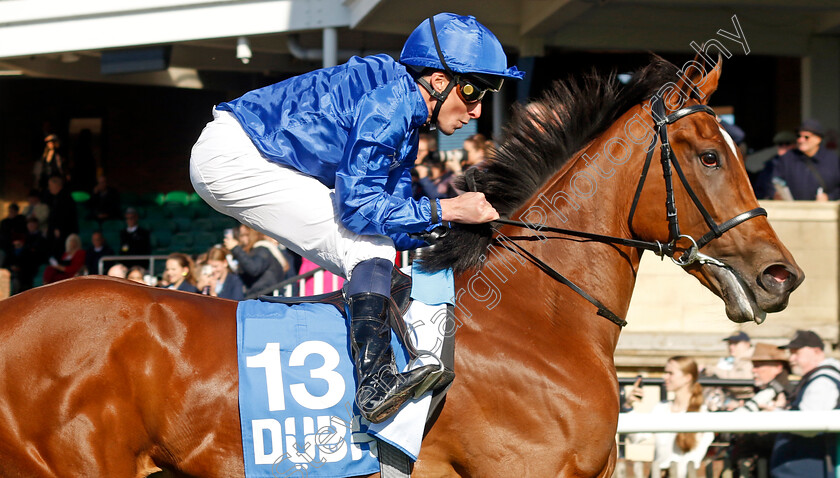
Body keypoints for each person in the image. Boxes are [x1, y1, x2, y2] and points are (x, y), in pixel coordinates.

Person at [190, 12, 521, 422]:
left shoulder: (406, 117)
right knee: (367, 248)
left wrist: (454, 221)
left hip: (240, 152)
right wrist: (448, 208)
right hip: (234, 158)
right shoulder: (390, 105)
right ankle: (375, 385)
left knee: (377, 248)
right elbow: (359, 209)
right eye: (473, 92)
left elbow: (392, 221)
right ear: (439, 80)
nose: (476, 110)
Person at [626, 356, 715, 478]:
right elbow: (636, 437)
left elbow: (695, 460)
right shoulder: (661, 408)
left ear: (687, 378)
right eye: (665, 372)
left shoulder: (703, 414)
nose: (665, 377)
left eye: (670, 373)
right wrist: (628, 407)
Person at [770, 330, 840, 478]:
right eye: (791, 353)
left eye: (796, 353)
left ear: (816, 351)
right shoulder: (818, 378)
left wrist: (774, 415)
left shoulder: (823, 381)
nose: (792, 358)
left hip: (808, 469)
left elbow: (809, 425)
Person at [728, 343, 792, 477]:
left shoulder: (786, 393)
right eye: (753, 365)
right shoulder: (766, 390)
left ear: (778, 367)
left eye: (758, 366)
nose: (753, 370)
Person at [772, 119, 840, 201]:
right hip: (793, 211)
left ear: (818, 139)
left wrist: (829, 197)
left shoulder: (832, 159)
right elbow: (774, 182)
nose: (801, 140)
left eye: (806, 137)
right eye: (798, 136)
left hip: (823, 211)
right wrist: (775, 195)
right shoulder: (787, 158)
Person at [223, 225, 287, 298]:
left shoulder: (262, 249)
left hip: (267, 299)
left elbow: (254, 269)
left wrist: (236, 248)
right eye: (240, 235)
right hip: (259, 297)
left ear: (252, 234)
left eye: (245, 235)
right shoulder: (253, 251)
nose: (242, 239)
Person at [43, 175, 79, 258]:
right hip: (57, 232)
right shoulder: (56, 197)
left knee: (61, 253)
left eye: (50, 185)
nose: (49, 188)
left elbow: (65, 216)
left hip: (63, 233)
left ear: (56, 185)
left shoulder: (65, 197)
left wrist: (58, 228)